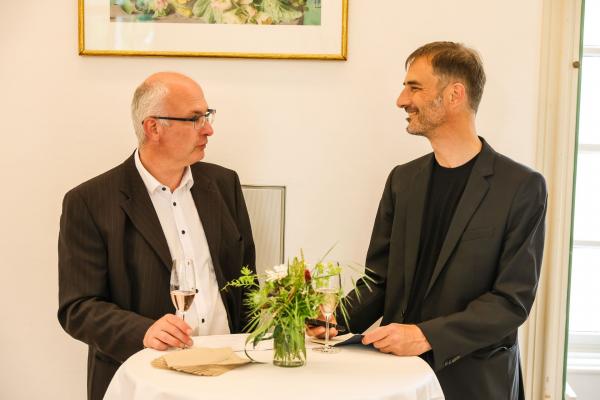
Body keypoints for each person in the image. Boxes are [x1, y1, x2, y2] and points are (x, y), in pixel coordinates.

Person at [309, 42, 547, 400]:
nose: (401, 100)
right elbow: (379, 279)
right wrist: (333, 320)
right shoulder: (403, 180)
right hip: (396, 380)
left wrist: (425, 336)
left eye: (414, 87)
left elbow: (510, 301)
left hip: (476, 381)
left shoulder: (522, 187)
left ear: (454, 95)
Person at [57, 72, 255, 400]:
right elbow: (77, 307)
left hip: (229, 376)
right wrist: (143, 331)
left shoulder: (225, 185)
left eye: (207, 116)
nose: (209, 129)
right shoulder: (90, 201)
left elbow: (246, 280)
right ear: (154, 128)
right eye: (195, 119)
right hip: (144, 378)